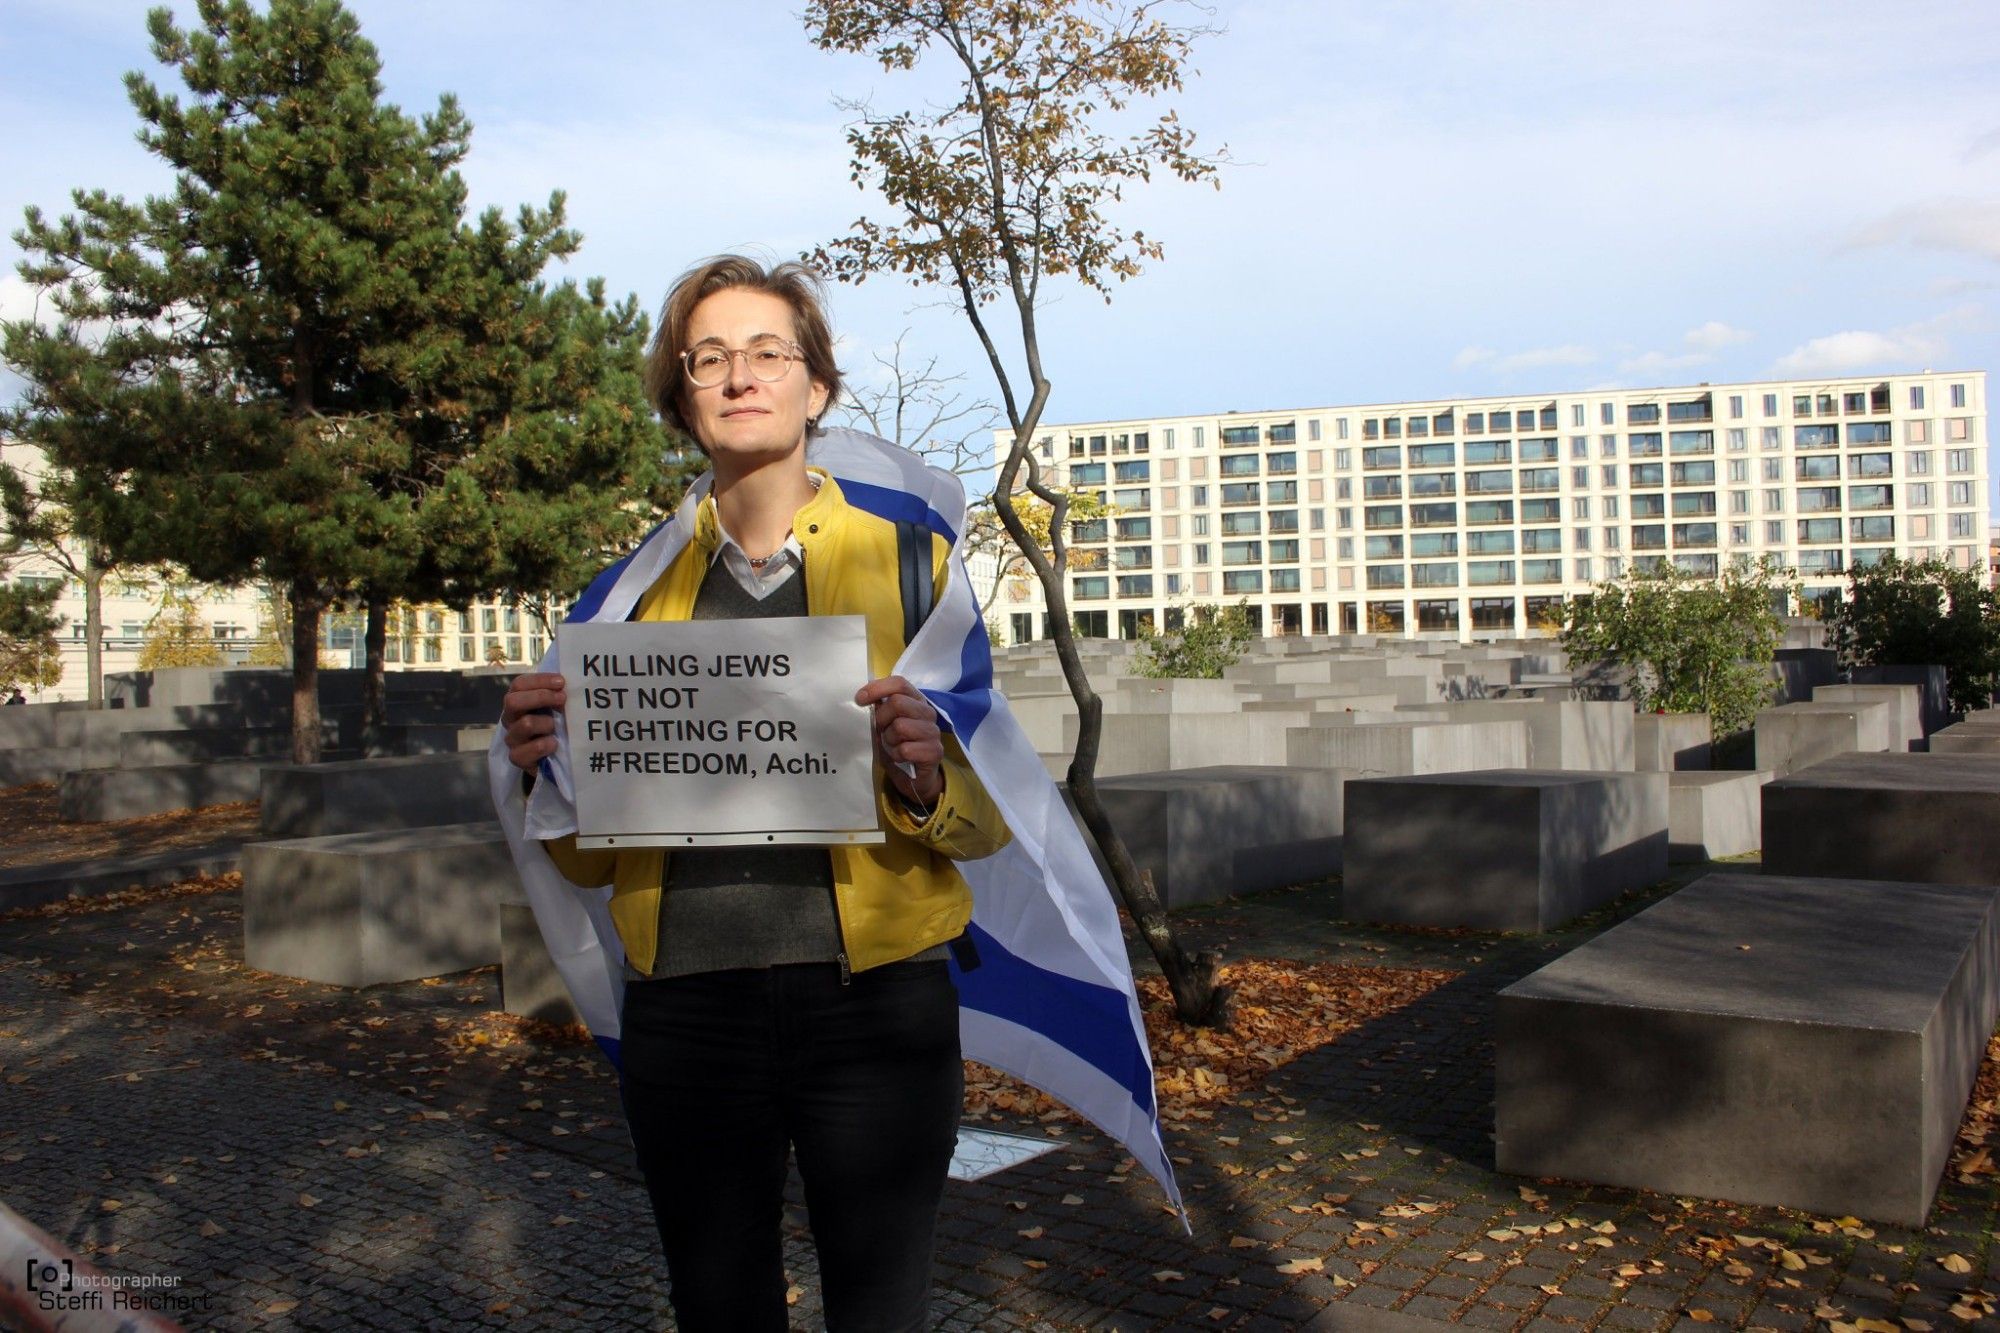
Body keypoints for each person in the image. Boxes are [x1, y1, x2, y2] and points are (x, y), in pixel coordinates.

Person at [498, 255, 1011, 1330]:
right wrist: (544, 769)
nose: (739, 376)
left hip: (874, 1004)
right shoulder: (621, 600)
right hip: (688, 1007)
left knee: (881, 1309)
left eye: (767, 352)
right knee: (718, 1306)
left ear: (814, 387)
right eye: (709, 358)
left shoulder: (915, 567)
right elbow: (594, 857)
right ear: (681, 398)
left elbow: (985, 813)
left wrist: (923, 774)